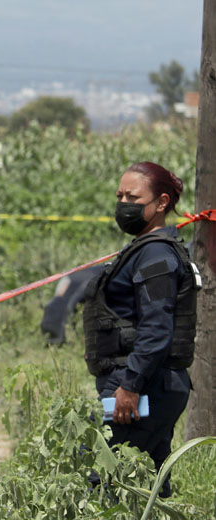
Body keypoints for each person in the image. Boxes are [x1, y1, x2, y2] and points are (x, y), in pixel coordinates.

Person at [83, 161, 199, 497]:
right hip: (145, 386)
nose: (123, 204)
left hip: (143, 390)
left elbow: (156, 326)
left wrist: (130, 387)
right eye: (119, 195)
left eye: (133, 197)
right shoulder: (143, 251)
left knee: (98, 477)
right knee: (147, 485)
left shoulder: (156, 257)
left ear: (162, 203)